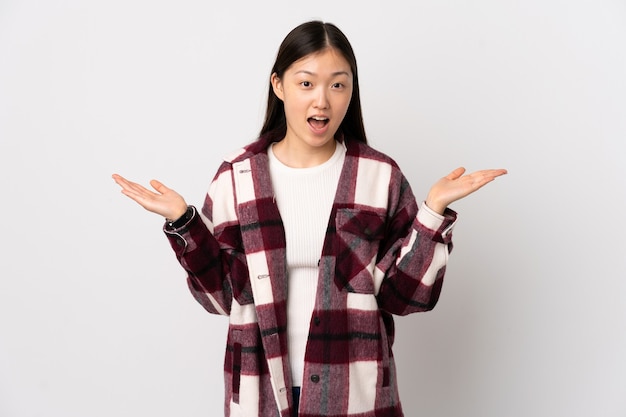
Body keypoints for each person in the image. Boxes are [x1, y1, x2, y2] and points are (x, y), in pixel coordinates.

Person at [112, 20, 506, 417]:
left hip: (356, 397)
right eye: (306, 84)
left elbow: (404, 298)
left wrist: (432, 213)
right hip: (260, 393)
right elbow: (222, 298)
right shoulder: (237, 178)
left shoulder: (378, 177)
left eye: (338, 84)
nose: (322, 101)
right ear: (278, 85)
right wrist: (184, 222)